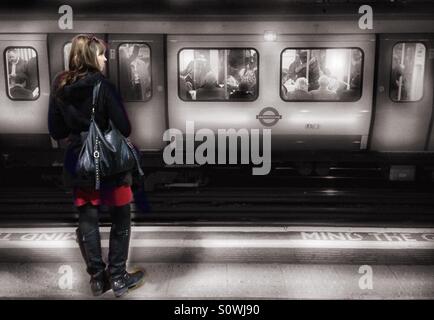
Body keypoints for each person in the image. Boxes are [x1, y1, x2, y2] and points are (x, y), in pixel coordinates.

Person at [48, 34, 145, 298]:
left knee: (88, 220)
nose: (105, 59)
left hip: (80, 163)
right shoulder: (103, 86)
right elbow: (125, 128)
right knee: (121, 217)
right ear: (92, 56)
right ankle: (118, 277)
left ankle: (96, 279)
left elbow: (55, 130)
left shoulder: (59, 86)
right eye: (101, 54)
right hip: (109, 165)